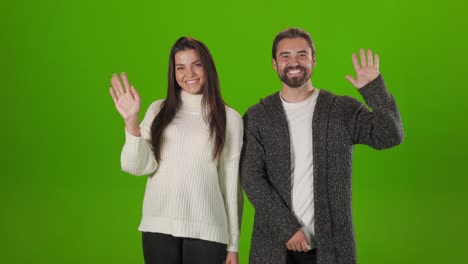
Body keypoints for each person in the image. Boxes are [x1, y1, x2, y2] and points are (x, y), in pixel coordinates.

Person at [240, 28, 404, 264]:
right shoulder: (258, 116)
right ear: (274, 63)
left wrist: (374, 89)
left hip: (332, 250)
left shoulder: (341, 109)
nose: (293, 62)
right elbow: (251, 178)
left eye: (302, 55)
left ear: (314, 60)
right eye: (285, 56)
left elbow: (390, 135)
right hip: (273, 248)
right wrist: (288, 228)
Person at [109, 37, 243, 264]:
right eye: (180, 67)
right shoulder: (158, 110)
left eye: (196, 64)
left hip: (208, 232)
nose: (188, 73)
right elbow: (137, 166)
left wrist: (233, 246)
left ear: (208, 67)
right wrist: (131, 121)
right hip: (158, 227)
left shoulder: (229, 118)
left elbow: (230, 186)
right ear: (173, 73)